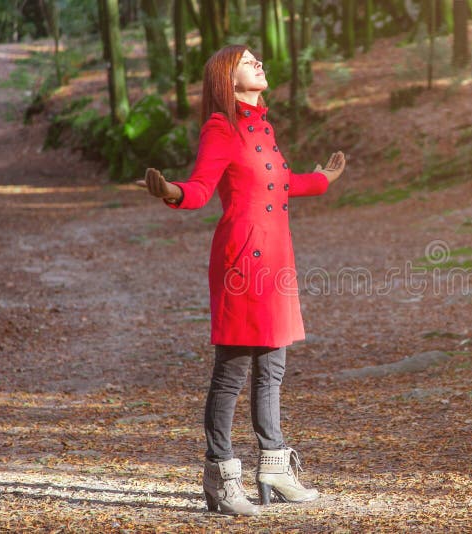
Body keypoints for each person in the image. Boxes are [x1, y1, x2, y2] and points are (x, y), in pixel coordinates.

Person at [136, 44, 346, 516]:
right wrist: (171, 192)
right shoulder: (221, 128)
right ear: (227, 79)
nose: (260, 65)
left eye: (258, 60)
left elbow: (282, 180)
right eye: (249, 62)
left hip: (276, 257)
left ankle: (273, 467)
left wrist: (323, 179)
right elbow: (201, 187)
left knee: (273, 367)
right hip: (241, 260)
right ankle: (220, 474)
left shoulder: (264, 127)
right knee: (231, 372)